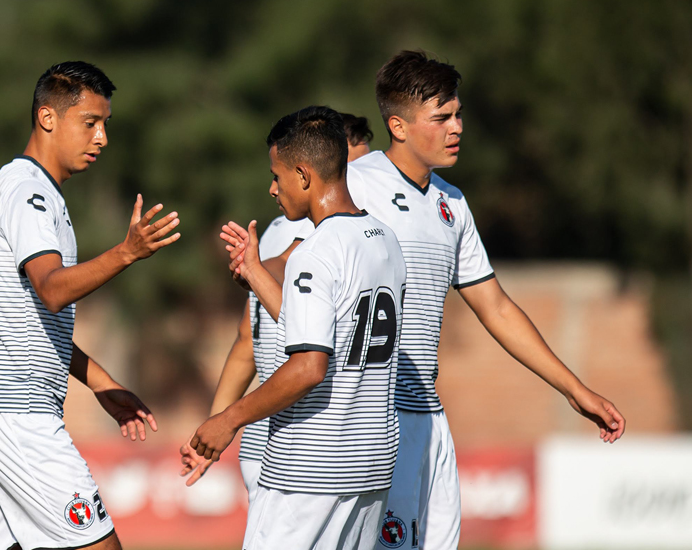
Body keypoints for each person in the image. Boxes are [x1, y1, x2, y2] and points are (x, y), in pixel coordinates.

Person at [344, 50, 626, 550]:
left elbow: (495, 307)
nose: (457, 127)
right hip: (370, 419)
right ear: (398, 126)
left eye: (458, 114)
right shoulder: (355, 186)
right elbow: (295, 261)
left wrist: (574, 389)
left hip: (428, 418)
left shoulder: (452, 202)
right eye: (442, 117)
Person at [0, 61, 180, 550]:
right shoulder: (27, 191)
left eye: (105, 125)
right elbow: (52, 289)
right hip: (16, 411)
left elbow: (28, 321)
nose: (100, 138)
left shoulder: (32, 193)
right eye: (90, 123)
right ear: (48, 118)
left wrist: (100, 382)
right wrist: (126, 252)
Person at [188, 106, 408, 550]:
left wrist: (229, 419)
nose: (272, 188)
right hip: (369, 465)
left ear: (304, 175)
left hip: (308, 468)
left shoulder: (316, 251)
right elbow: (320, 328)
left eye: (277, 175)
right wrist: (254, 272)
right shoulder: (384, 239)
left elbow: (309, 366)